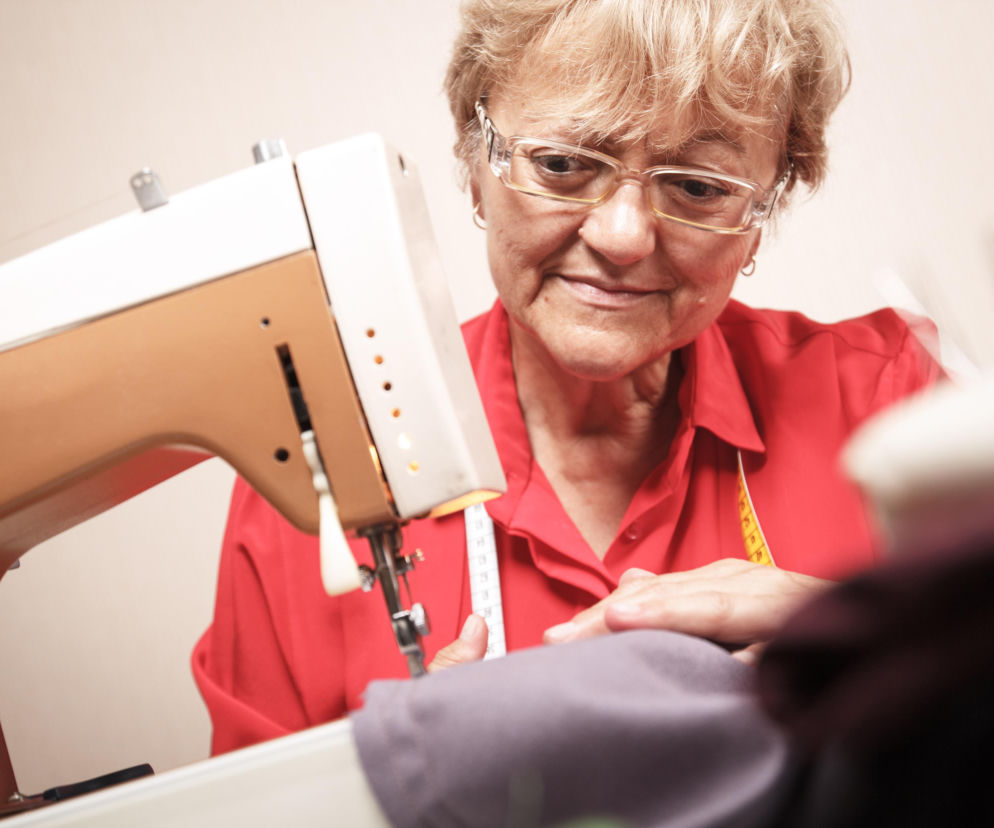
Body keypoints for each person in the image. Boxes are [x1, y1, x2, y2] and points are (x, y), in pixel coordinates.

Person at [192, 0, 942, 754]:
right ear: (474, 165)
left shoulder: (894, 411)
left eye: (699, 188)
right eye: (561, 164)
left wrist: (872, 646)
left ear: (760, 217)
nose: (622, 236)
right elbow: (246, 803)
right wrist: (395, 785)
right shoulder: (315, 480)